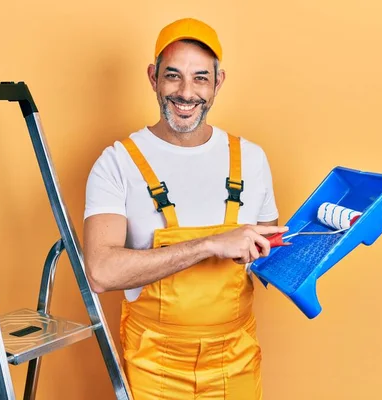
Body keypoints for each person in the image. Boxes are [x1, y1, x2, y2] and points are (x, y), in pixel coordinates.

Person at [83, 17, 286, 400]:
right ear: (153, 77)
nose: (186, 92)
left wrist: (320, 245)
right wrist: (209, 245)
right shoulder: (118, 162)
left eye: (200, 79)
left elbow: (267, 261)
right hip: (153, 366)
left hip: (236, 361)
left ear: (218, 82)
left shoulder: (252, 160)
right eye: (173, 76)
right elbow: (100, 272)